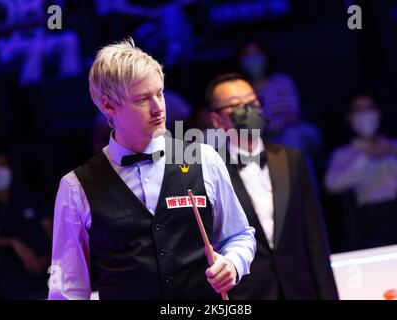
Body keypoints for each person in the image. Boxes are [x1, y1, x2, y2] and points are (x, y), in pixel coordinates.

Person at [48, 39, 256, 300]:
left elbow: (240, 235)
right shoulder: (75, 186)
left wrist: (233, 263)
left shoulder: (204, 159)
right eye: (142, 99)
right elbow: (66, 287)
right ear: (109, 106)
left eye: (160, 93)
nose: (158, 108)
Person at [206, 73, 338, 300]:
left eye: (252, 102)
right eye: (235, 105)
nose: (247, 109)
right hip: (247, 295)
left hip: (300, 289)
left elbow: (314, 236)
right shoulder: (210, 169)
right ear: (217, 120)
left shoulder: (291, 159)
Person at [324, 94, 397, 248]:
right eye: (358, 110)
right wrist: (366, 156)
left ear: (378, 112)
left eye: (369, 109)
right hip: (375, 218)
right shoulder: (344, 153)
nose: (365, 115)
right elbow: (332, 185)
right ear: (349, 117)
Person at [0, 147, 52, 299]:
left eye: (1, 165)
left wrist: (46, 260)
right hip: (6, 280)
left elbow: (55, 234)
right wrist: (12, 242)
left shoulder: (30, 199)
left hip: (45, 270)